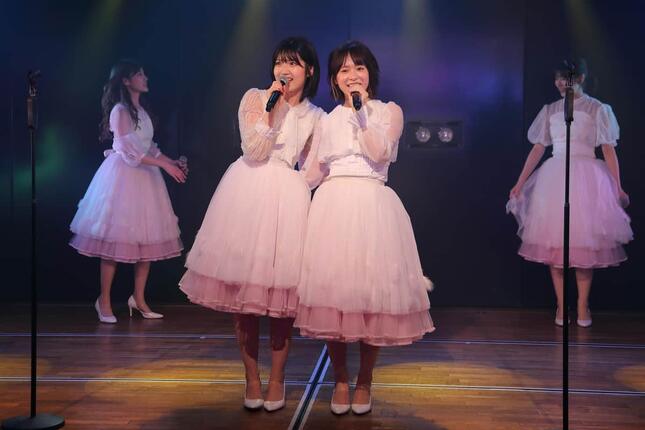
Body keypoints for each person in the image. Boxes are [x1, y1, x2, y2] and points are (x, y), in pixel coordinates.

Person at [179, 37, 324, 412]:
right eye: (279, 62)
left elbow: (313, 170)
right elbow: (254, 150)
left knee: (282, 300)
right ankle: (252, 378)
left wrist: (293, 189)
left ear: (309, 70)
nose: (284, 69)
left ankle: (277, 379)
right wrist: (274, 107)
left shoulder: (316, 116)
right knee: (244, 298)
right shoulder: (256, 98)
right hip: (246, 193)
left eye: (292, 63)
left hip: (286, 202)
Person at [294, 41, 435, 415]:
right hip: (332, 208)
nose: (352, 75)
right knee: (333, 298)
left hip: (372, 206)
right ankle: (340, 378)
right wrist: (279, 185)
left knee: (371, 298)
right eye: (343, 70)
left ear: (370, 72)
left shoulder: (388, 111)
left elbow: (379, 152)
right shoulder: (326, 120)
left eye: (358, 67)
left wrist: (360, 114)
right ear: (334, 79)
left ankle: (365, 380)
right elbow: (312, 173)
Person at [508, 59, 632, 327]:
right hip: (555, 177)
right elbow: (538, 148)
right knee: (555, 248)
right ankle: (561, 305)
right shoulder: (550, 110)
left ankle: (582, 305)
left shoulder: (597, 108)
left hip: (587, 177)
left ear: (581, 78)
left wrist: (618, 185)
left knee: (583, 247)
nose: (561, 83)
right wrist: (520, 182)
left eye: (566, 77)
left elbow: (608, 149)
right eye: (558, 78)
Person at [70, 59, 186, 324]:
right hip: (123, 177)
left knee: (146, 240)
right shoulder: (120, 110)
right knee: (115, 240)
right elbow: (129, 150)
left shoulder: (142, 111)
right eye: (139, 74)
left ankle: (139, 298)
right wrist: (164, 166)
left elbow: (149, 147)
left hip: (146, 178)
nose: (145, 78)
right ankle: (104, 300)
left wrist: (171, 162)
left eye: (144, 73)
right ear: (125, 80)